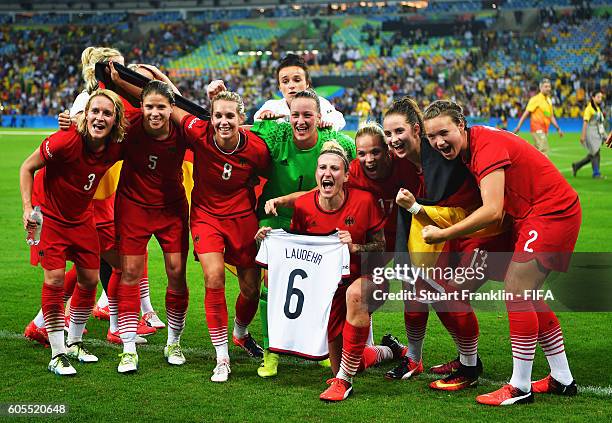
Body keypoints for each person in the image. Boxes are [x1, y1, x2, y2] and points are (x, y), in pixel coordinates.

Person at [423, 100, 579, 405]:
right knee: (527, 293)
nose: (439, 142)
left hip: (550, 212)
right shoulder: (474, 146)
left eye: (444, 132)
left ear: (461, 125)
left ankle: (520, 387)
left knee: (516, 290)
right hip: (534, 214)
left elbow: (493, 211)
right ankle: (562, 378)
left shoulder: (486, 146)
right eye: (432, 136)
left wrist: (443, 233)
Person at [382, 97, 511, 391]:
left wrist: (415, 208)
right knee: (420, 293)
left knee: (452, 296)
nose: (393, 141)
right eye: (388, 134)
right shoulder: (399, 163)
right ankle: (417, 358)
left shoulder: (445, 155)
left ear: (416, 130)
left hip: (478, 232)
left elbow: (466, 206)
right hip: (441, 233)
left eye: (399, 132)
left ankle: (470, 366)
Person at [256, 142, 392, 401]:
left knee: (354, 296)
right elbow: (296, 247)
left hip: (367, 278)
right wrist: (267, 238)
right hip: (330, 289)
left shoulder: (364, 201)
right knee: (346, 361)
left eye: (335, 168)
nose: (327, 173)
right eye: (322, 168)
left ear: (346, 175)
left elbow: (382, 246)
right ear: (316, 173)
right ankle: (388, 351)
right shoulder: (305, 205)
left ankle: (344, 382)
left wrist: (356, 246)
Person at [19, 89, 127, 375]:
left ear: (115, 120)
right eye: (95, 111)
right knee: (54, 279)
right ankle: (57, 353)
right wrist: (27, 207)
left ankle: (75, 342)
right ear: (85, 114)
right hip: (51, 219)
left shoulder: (115, 147)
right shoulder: (65, 141)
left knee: (90, 279)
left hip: (82, 221)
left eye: (107, 113)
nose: (99, 118)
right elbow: (27, 167)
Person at [250, 89, 356, 377]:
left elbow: (354, 153)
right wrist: (263, 118)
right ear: (288, 115)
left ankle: (322, 345)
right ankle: (270, 352)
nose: (300, 121)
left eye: (308, 115)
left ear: (320, 118)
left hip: (313, 222)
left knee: (322, 285)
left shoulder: (333, 142)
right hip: (275, 220)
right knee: (271, 282)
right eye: (295, 114)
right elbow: (246, 133)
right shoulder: (277, 134)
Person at [110, 79, 191, 373]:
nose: (154, 113)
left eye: (161, 107)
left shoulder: (183, 130)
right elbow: (97, 119)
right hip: (133, 208)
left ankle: (174, 341)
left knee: (177, 273)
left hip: (171, 211)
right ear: (141, 107)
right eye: (148, 106)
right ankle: (128, 348)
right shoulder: (129, 125)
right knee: (130, 272)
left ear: (172, 108)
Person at [252, 54, 346, 130]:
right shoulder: (271, 106)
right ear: (279, 87)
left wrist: (328, 122)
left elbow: (338, 119)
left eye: (297, 80)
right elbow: (256, 120)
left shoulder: (320, 103)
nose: (291, 86)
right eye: (285, 82)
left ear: (307, 83)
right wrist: (264, 117)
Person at [513, 78, 563, 156]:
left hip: (545, 130)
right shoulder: (535, 99)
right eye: (546, 87)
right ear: (541, 88)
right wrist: (518, 126)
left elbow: (551, 116)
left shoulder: (549, 101)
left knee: (535, 151)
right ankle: (545, 168)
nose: (548, 89)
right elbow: (526, 113)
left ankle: (522, 160)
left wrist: (558, 128)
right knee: (544, 150)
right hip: (537, 129)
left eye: (549, 87)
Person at [572, 89, 606, 178]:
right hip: (590, 133)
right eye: (598, 97)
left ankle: (577, 165)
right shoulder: (589, 108)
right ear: (593, 97)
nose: (600, 99)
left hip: (597, 134)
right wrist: (583, 136)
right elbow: (585, 122)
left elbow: (600, 124)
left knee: (593, 153)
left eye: (601, 97)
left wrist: (603, 136)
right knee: (595, 153)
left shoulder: (598, 108)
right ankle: (596, 173)